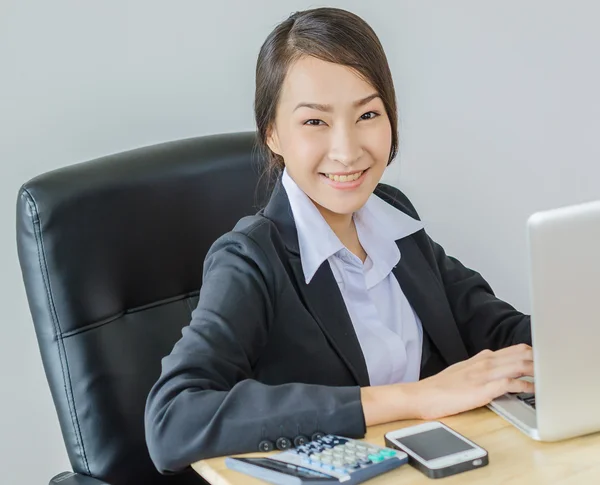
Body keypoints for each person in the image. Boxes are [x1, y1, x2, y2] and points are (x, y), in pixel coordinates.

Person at [144, 7, 533, 474]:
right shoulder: (249, 260)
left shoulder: (395, 221)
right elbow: (173, 421)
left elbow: (499, 330)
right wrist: (413, 397)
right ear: (272, 132)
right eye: (315, 122)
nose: (348, 151)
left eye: (367, 114)